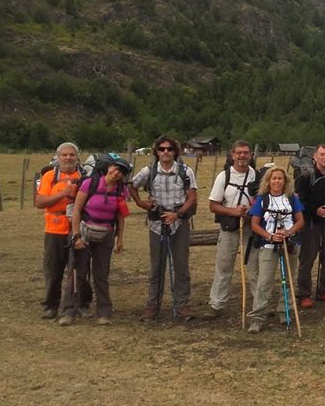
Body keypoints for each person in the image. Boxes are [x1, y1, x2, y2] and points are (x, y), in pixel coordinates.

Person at [130, 135, 199, 322]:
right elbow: (131, 185)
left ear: (175, 151)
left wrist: (178, 214)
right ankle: (153, 306)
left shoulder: (185, 171)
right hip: (156, 224)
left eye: (169, 149)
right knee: (156, 267)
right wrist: (140, 203)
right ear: (156, 152)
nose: (166, 152)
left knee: (181, 267)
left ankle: (182, 305)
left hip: (179, 223)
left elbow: (192, 197)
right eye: (162, 149)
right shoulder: (149, 171)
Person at [58, 158, 131, 326]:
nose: (116, 173)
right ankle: (69, 311)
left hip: (106, 234)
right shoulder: (89, 184)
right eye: (115, 168)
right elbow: (77, 210)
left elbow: (120, 215)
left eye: (121, 172)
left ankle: (104, 312)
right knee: (77, 272)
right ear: (108, 167)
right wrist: (76, 236)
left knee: (101, 274)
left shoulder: (121, 190)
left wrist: (120, 239)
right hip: (84, 230)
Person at [199, 140, 258, 320]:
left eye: (245, 152)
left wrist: (252, 211)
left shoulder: (255, 175)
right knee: (224, 266)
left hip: (251, 227)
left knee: (255, 266)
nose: (242, 156)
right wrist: (233, 212)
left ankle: (259, 304)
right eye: (239, 152)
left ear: (250, 155)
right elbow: (213, 206)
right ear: (232, 155)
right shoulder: (223, 177)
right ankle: (216, 304)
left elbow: (261, 198)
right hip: (229, 227)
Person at [35, 142, 92, 319]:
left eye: (72, 155)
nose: (68, 158)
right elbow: (39, 202)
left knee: (79, 268)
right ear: (58, 157)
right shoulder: (49, 176)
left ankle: (81, 303)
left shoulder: (85, 176)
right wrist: (63, 193)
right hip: (54, 229)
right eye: (64, 155)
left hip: (79, 228)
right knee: (53, 269)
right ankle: (51, 305)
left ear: (77, 157)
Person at [247, 167, 305, 333]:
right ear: (268, 181)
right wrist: (270, 236)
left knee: (289, 279)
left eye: (280, 178)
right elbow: (254, 224)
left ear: (285, 181)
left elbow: (300, 221)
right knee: (264, 282)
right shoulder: (262, 199)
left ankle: (285, 311)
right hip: (268, 244)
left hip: (290, 243)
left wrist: (289, 232)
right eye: (274, 178)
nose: (277, 181)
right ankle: (257, 318)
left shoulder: (292, 199)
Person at [295, 144, 325, 308]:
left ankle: (324, 290)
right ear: (314, 157)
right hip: (310, 224)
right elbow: (299, 200)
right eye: (322, 154)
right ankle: (304, 294)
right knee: (307, 259)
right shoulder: (305, 177)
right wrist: (314, 210)